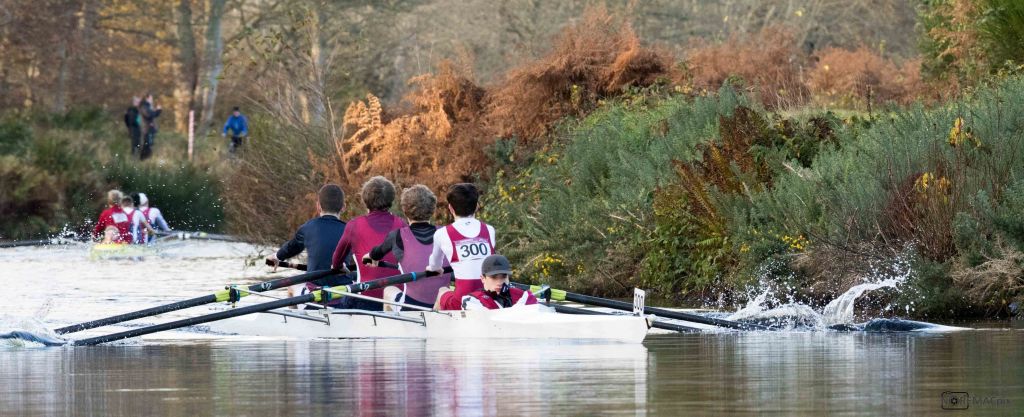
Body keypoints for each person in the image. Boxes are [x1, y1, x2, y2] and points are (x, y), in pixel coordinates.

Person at [363, 184, 450, 311]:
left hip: (411, 307)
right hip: (442, 305)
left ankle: (392, 324)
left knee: (389, 290)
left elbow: (376, 253)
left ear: (405, 210)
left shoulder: (397, 235)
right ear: (433, 209)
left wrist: (370, 257)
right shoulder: (447, 233)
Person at [331, 176, 406, 311]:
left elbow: (336, 262)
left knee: (341, 300)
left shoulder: (354, 225)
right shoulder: (402, 224)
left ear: (365, 200)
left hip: (366, 299)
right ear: (391, 199)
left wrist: (341, 268)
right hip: (397, 299)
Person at [267, 184, 349, 304]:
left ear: (318, 206)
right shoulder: (350, 230)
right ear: (343, 207)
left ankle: (296, 316)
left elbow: (291, 248)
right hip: (343, 295)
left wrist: (276, 256)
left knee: (292, 288)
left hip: (315, 297)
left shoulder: (308, 228)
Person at [427, 183, 497, 311]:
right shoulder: (489, 230)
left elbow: (435, 267)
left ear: (450, 208)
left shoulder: (441, 234)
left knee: (442, 290)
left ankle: (434, 323)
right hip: (489, 296)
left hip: (463, 299)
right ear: (477, 206)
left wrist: (433, 269)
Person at [442, 255, 537, 310]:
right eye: (494, 277)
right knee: (442, 291)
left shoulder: (524, 296)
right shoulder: (472, 301)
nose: (499, 282)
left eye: (503, 277)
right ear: (483, 278)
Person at [140, 94, 162, 160]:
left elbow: (153, 115)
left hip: (150, 129)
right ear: (147, 98)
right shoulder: (144, 106)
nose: (152, 100)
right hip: (147, 129)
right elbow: (149, 115)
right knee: (147, 144)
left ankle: (147, 159)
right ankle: (143, 159)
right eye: (151, 98)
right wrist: (157, 110)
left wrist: (158, 111)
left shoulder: (148, 106)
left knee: (149, 144)